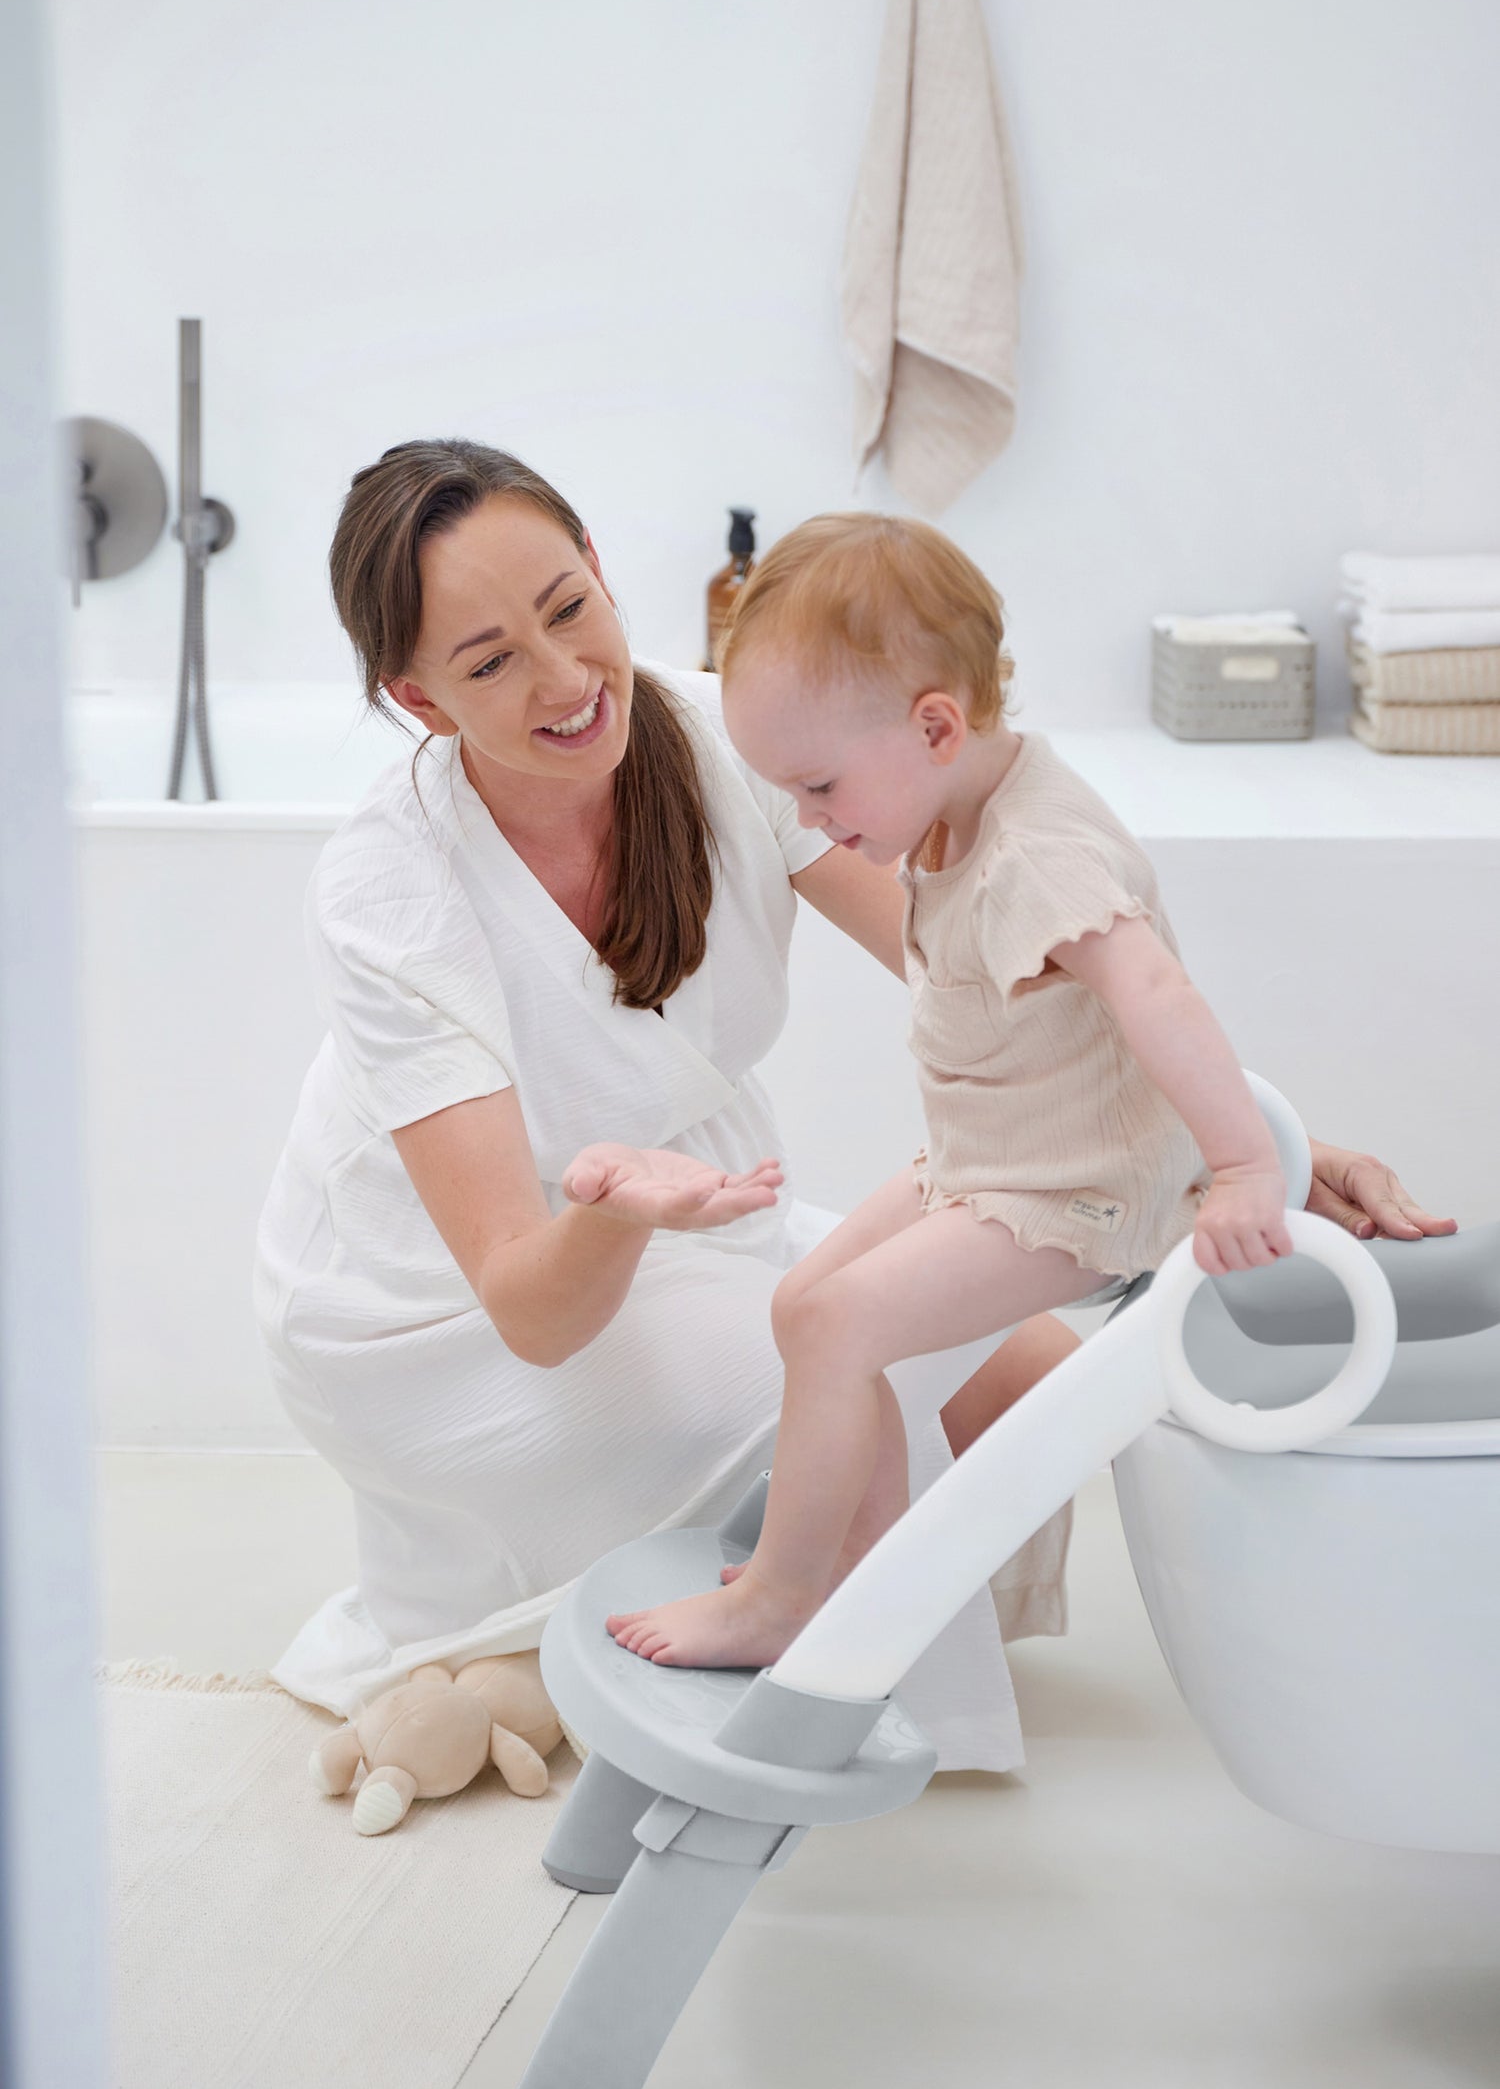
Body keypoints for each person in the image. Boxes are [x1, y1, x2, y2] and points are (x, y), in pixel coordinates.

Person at [255, 444, 1452, 1768]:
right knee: (867, 1373)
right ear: (417, 702)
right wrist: (619, 1214)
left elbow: (1017, 974)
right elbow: (531, 1309)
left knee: (1041, 1390)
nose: (564, 679)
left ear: (598, 567)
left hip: (693, 1219)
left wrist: (1267, 1144)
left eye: (567, 608)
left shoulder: (750, 738)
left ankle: (814, 1627)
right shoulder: (392, 889)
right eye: (489, 663)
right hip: (446, 1309)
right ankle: (761, 1646)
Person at [604, 514, 1454, 1671]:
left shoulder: (1035, 855)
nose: (808, 816)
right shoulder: (952, 808)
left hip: (1077, 1199)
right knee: (805, 1307)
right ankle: (859, 1569)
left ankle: (784, 1599)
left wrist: (1248, 1163)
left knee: (845, 1325)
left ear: (936, 724)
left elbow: (1155, 991)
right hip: (993, 1163)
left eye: (818, 784)